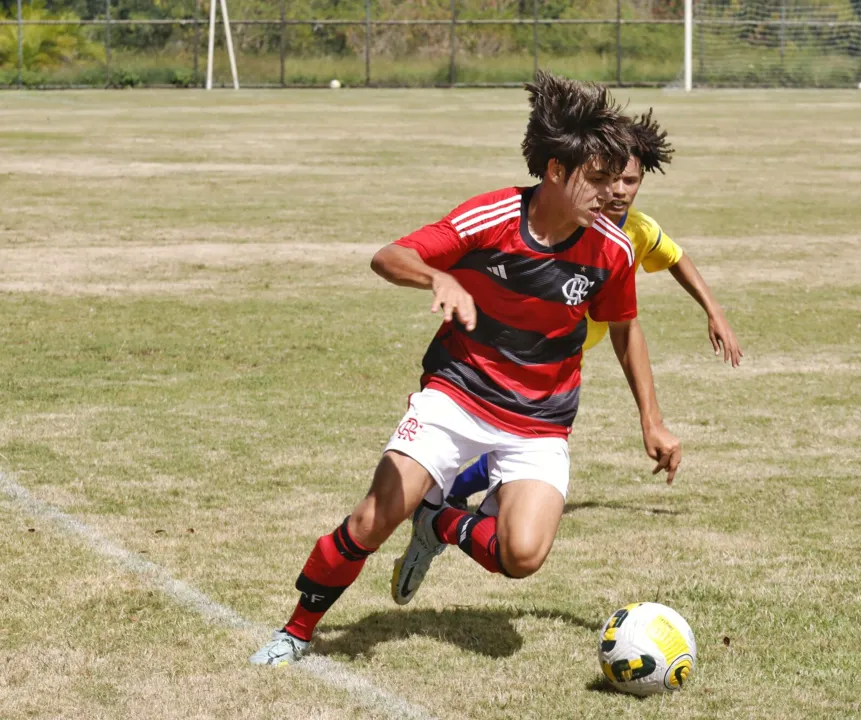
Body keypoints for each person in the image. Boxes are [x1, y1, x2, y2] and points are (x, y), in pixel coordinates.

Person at [249, 72, 681, 667]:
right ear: (556, 170)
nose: (613, 194)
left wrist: (651, 421)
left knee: (522, 556)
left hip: (541, 421)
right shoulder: (493, 216)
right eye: (599, 179)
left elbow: (626, 327)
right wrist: (439, 275)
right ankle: (296, 631)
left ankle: (443, 520)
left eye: (617, 181)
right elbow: (389, 256)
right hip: (457, 396)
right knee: (372, 522)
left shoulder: (612, 248)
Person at [446, 110, 742, 510]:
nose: (619, 189)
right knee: (519, 428)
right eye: (610, 177)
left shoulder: (637, 230)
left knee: (532, 433)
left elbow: (675, 258)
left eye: (630, 180)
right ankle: (458, 495)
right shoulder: (572, 218)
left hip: (572, 347)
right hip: (533, 343)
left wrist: (714, 311)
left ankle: (462, 498)